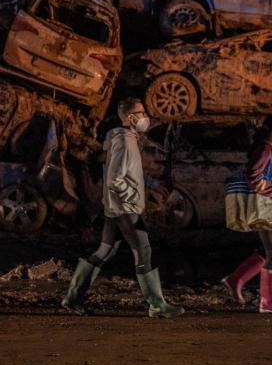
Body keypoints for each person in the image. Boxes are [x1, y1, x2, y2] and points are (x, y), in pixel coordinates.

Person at [62, 97, 184, 318]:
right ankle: (157, 305)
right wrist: (132, 198)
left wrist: (152, 184)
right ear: (131, 117)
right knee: (143, 250)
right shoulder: (125, 143)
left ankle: (73, 298)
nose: (145, 116)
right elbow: (115, 179)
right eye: (142, 112)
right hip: (124, 207)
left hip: (116, 207)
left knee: (105, 250)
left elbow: (130, 173)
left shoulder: (125, 139)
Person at [221, 115, 272, 314]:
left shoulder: (269, 151)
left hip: (269, 208)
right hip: (265, 207)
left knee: (269, 250)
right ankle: (268, 302)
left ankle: (236, 279)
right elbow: (253, 177)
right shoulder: (265, 151)